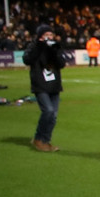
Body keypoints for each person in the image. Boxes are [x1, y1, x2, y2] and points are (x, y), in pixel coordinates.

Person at [25, 23, 65, 152]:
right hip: (40, 85)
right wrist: (40, 46)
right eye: (46, 35)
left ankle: (45, 141)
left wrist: (53, 50)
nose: (49, 37)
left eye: (50, 34)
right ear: (40, 36)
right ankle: (39, 139)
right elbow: (27, 59)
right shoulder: (34, 46)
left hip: (54, 86)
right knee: (47, 111)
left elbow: (61, 63)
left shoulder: (55, 47)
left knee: (53, 116)